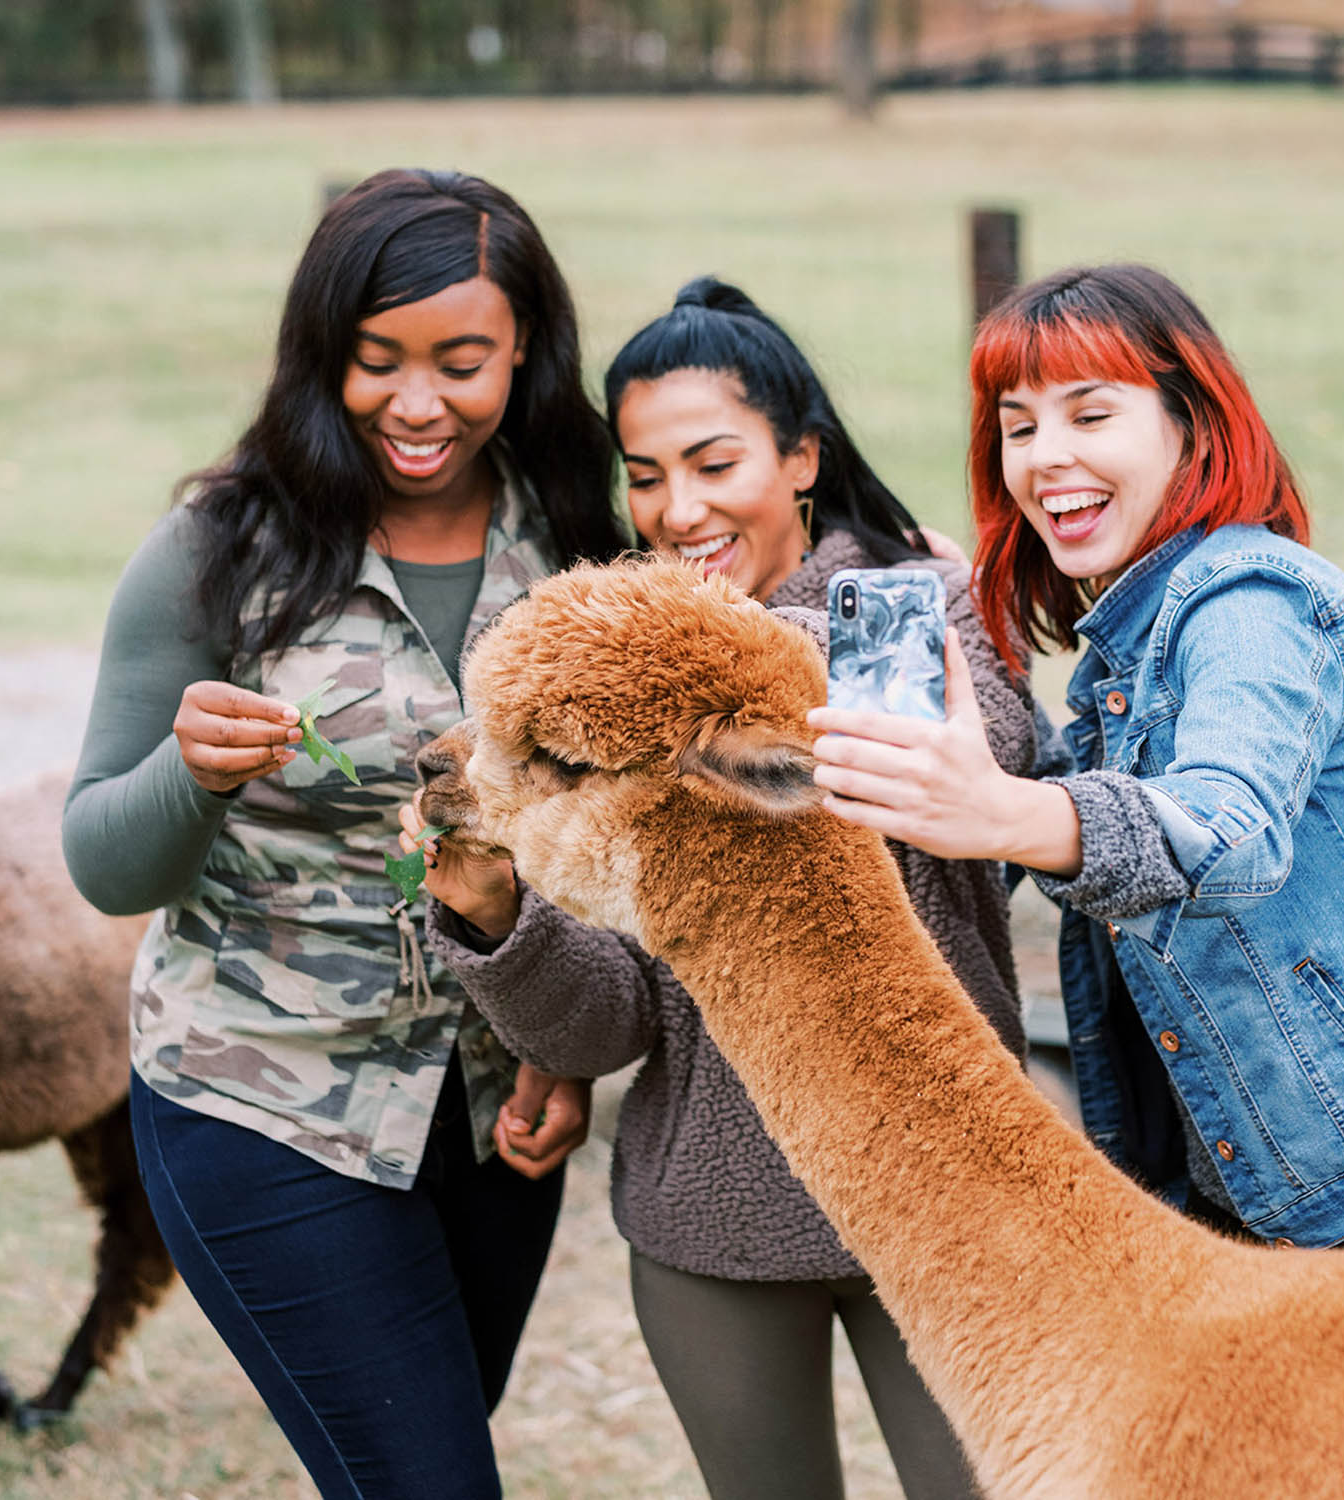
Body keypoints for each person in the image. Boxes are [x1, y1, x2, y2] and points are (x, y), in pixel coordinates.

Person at [807, 263, 1344, 1290]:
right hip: (1278, 1197)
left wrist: (1001, 811)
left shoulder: (1248, 597)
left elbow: (1225, 826)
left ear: (1191, 425)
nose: (1046, 458)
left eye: (1089, 413)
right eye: (1018, 425)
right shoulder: (1126, 647)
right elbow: (1089, 816)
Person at [401, 277, 1033, 1500]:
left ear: (799, 457)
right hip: (716, 1218)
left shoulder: (918, 615)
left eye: (710, 461)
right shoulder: (621, 684)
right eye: (643, 476)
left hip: (944, 1203)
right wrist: (496, 914)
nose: (676, 509)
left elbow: (983, 787)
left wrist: (745, 696)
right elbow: (610, 1020)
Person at [62, 168, 629, 1500]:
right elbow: (102, 861)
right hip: (266, 1100)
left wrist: (568, 1051)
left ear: (524, 350)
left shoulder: (582, 540)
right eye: (375, 363)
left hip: (498, 1121)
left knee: (405, 1462)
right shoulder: (217, 552)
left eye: (460, 361)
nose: (415, 403)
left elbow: (606, 831)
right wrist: (188, 771)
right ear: (325, 358)